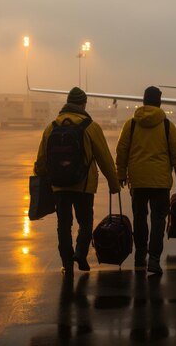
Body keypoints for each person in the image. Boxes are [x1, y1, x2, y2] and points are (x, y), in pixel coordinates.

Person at [34, 87, 120, 275]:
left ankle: (67, 263)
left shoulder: (52, 127)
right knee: (85, 221)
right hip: (83, 185)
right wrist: (114, 184)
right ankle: (80, 253)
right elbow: (104, 157)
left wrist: (42, 175)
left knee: (63, 225)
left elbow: (41, 160)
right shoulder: (90, 126)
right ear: (83, 104)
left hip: (59, 186)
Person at [116, 86, 176, 274]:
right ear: (159, 102)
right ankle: (154, 259)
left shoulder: (131, 124)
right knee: (158, 220)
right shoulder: (166, 125)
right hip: (160, 183)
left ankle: (140, 255)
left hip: (138, 181)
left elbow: (122, 150)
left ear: (144, 101)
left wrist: (121, 174)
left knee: (140, 218)